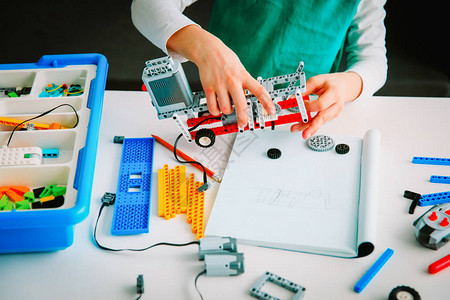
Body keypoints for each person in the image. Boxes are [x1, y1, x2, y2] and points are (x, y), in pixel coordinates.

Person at [131, 0, 387, 139]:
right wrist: (205, 48)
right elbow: (146, 5)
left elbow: (374, 61)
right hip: (223, 106)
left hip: (301, 123)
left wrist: (348, 85)